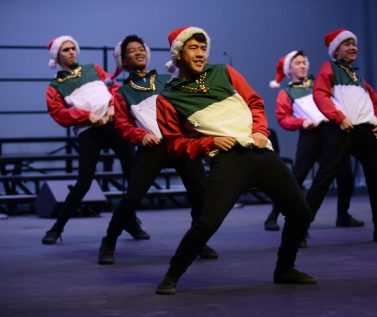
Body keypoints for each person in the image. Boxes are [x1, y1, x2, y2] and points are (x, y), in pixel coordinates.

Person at [154, 26, 316, 295]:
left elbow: (254, 102)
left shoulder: (224, 73)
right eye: (193, 48)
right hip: (228, 159)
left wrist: (261, 131)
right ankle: (172, 274)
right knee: (207, 223)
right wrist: (209, 142)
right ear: (178, 54)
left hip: (259, 150)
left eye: (203, 48)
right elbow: (175, 144)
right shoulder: (168, 98)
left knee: (301, 212)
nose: (200, 54)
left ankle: (285, 269)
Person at [97, 35, 218, 264]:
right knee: (132, 197)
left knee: (201, 194)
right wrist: (140, 135)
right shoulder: (122, 93)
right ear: (123, 60)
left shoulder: (167, 80)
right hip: (152, 146)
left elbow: (187, 104)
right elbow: (123, 125)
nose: (138, 52)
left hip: (179, 142)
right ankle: (109, 240)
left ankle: (197, 242)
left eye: (141, 48)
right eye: (132, 51)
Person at [42, 35, 149, 245]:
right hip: (88, 131)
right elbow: (58, 113)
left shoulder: (94, 69)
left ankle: (130, 221)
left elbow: (114, 88)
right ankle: (56, 228)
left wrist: (112, 107)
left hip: (112, 122)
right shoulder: (55, 86)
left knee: (134, 172)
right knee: (84, 182)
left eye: (73, 48)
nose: (72, 52)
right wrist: (86, 116)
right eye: (66, 49)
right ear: (57, 55)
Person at [307, 28, 377, 243]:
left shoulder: (358, 78)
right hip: (344, 129)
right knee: (323, 179)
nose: (353, 47)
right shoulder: (329, 68)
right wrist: (338, 117)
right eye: (347, 44)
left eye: (354, 44)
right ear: (335, 50)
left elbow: (375, 102)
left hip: (366, 132)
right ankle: (299, 230)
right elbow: (320, 94)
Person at [264, 50, 364, 234]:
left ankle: (343, 215)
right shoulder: (287, 92)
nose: (302, 66)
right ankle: (272, 216)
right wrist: (301, 122)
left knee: (346, 176)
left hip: (332, 132)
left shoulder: (319, 83)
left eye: (304, 62)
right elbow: (282, 118)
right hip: (311, 136)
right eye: (297, 63)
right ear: (289, 69)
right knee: (296, 178)